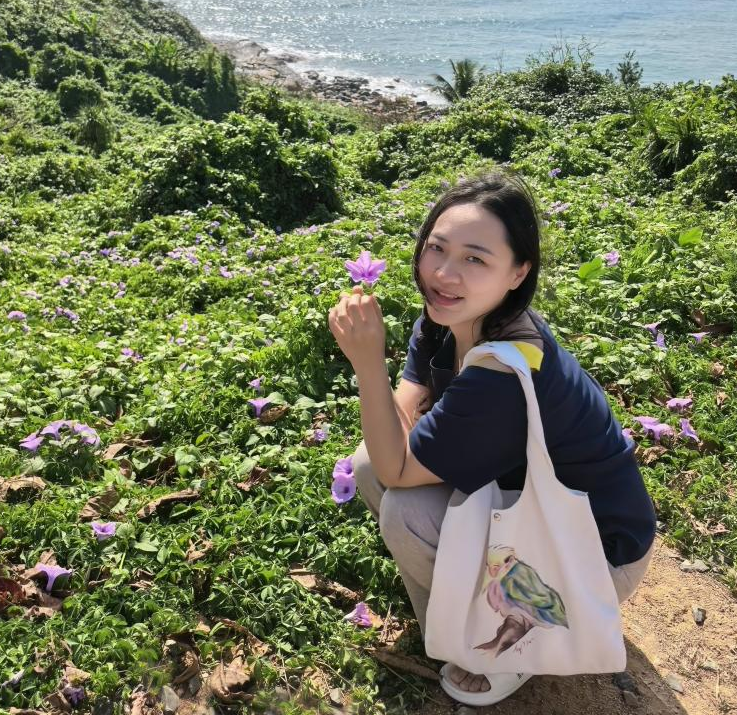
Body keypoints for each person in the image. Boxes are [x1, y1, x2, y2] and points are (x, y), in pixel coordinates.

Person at [327, 171, 657, 707]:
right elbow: (401, 417)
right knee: (369, 464)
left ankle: (504, 646)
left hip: (592, 554)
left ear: (517, 272)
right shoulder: (450, 319)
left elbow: (398, 467)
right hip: (525, 510)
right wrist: (398, 429)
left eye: (475, 259)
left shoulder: (503, 370)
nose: (443, 273)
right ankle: (456, 616)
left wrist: (368, 363)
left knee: (404, 510)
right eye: (437, 248)